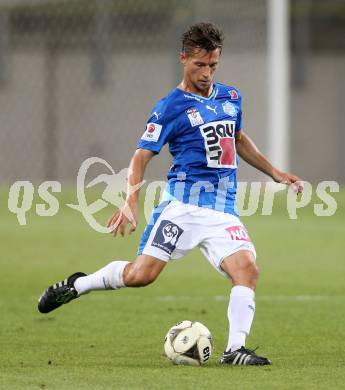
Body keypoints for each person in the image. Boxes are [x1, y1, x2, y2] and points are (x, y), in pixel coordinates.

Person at [38, 22, 303, 366]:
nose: (207, 73)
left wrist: (276, 172)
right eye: (200, 65)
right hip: (182, 208)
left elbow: (237, 139)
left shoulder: (230, 97)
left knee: (247, 271)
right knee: (140, 276)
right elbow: (141, 155)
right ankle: (80, 284)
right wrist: (130, 200)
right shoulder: (169, 107)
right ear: (183, 59)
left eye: (213, 65)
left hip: (222, 210)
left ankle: (234, 350)